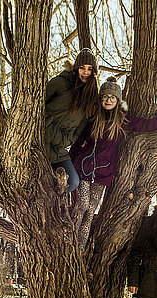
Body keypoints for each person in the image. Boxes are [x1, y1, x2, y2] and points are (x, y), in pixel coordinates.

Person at [69, 77, 157, 248]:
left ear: (117, 100)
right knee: (82, 205)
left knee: (91, 211)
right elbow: (78, 142)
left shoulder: (122, 120)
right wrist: (68, 164)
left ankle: (78, 249)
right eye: (105, 97)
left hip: (103, 173)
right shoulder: (92, 118)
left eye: (112, 98)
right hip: (84, 168)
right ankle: (68, 241)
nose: (108, 100)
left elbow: (148, 124)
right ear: (100, 99)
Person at [45, 48, 99, 192]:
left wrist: (64, 141)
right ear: (76, 68)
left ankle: (52, 207)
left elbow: (77, 132)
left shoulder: (90, 100)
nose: (85, 72)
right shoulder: (60, 83)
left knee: (73, 182)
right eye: (82, 68)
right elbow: (37, 105)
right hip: (39, 137)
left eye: (89, 69)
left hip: (58, 148)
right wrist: (46, 127)